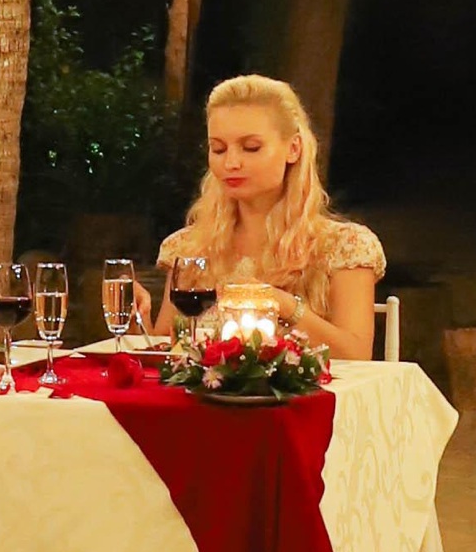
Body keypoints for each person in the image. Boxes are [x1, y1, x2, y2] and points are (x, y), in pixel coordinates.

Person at [152, 72, 384, 361]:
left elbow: (356, 355)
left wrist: (284, 305)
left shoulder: (345, 246)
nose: (231, 163)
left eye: (251, 148)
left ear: (293, 149)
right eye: (218, 149)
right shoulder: (188, 248)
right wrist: (136, 322)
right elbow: (164, 350)